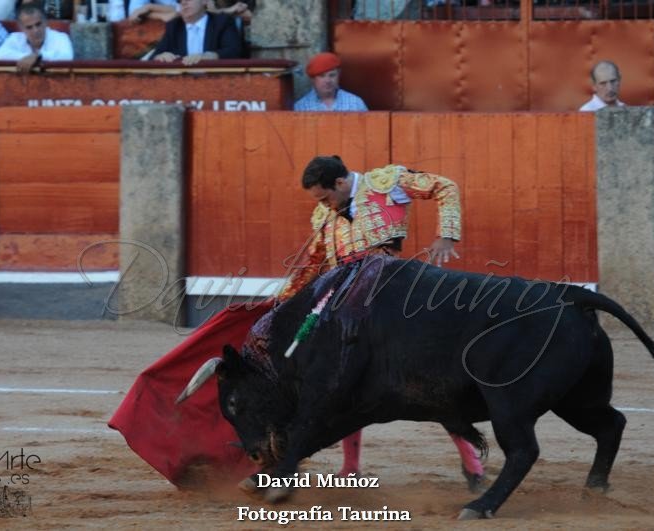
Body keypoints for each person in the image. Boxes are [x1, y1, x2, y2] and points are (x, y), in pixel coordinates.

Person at [109, 156, 485, 493]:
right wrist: (282, 303)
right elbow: (312, 264)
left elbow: (444, 186)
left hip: (391, 286)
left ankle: (471, 458)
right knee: (337, 373)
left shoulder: (388, 182)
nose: (322, 207)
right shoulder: (324, 214)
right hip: (343, 292)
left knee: (421, 377)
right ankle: (350, 466)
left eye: (324, 198)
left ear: (340, 183)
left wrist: (446, 234)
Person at [149, 0, 242, 64]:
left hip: (215, 82)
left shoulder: (222, 22)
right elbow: (154, 56)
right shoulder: (174, 26)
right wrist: (160, 57)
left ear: (204, 1)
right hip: (181, 84)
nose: (184, 3)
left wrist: (212, 56)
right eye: (180, 0)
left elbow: (235, 51)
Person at [0, 4, 73, 74]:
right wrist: (31, 58)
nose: (35, 30)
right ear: (21, 28)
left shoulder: (60, 37)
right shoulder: (14, 38)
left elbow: (67, 57)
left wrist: (38, 57)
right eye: (29, 27)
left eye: (38, 24)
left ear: (45, 22)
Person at [294, 52, 369, 112]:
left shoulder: (355, 103)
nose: (327, 80)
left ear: (339, 75)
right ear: (313, 79)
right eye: (321, 76)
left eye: (332, 75)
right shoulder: (301, 107)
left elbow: (368, 129)